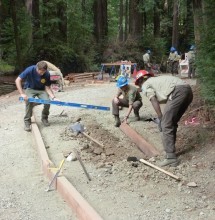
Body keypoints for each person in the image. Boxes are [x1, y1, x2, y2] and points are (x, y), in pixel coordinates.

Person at [135, 71, 193, 167]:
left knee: (165, 124)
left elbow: (153, 99)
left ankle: (171, 158)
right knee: (171, 122)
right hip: (188, 90)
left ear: (140, 81)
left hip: (178, 91)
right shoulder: (156, 80)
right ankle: (170, 152)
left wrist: (160, 117)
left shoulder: (145, 84)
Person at [15, 61, 58, 132]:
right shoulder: (30, 69)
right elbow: (17, 80)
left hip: (41, 90)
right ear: (36, 68)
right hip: (30, 88)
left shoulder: (47, 74)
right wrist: (22, 93)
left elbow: (47, 88)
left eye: (43, 72)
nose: (42, 73)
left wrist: (54, 98)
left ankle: (44, 118)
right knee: (29, 101)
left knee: (47, 102)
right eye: (40, 72)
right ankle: (27, 121)